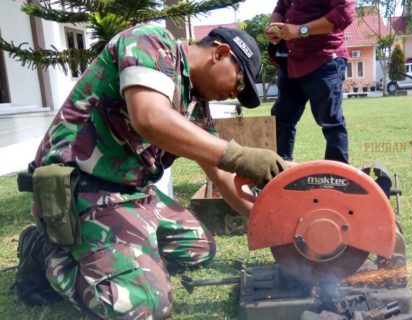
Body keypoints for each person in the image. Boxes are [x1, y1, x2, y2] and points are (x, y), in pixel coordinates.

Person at [12, 25, 286, 319]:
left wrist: (274, 227)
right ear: (221, 53)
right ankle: (47, 250)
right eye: (240, 83)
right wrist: (239, 156)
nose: (233, 93)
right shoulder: (151, 42)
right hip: (84, 190)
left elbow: (221, 176)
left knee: (199, 248)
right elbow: (150, 117)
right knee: (141, 305)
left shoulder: (196, 104)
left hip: (134, 194)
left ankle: (129, 249)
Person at [264, 0, 355, 163]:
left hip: (324, 58)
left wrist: (300, 30)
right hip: (292, 61)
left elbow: (344, 13)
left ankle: (339, 179)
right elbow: (282, 6)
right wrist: (272, 26)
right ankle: (279, 174)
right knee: (282, 120)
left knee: (330, 122)